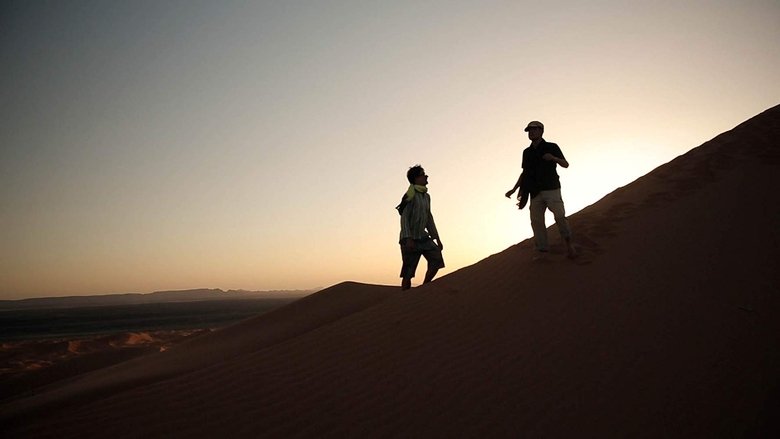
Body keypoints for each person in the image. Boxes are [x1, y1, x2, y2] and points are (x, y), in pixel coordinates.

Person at [505, 121, 576, 258]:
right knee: (536, 222)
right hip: (535, 192)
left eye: (534, 129)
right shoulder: (527, 152)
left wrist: (553, 158)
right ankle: (542, 250)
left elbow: (565, 164)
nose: (531, 132)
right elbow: (525, 173)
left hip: (552, 188)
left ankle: (569, 244)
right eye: (529, 130)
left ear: (541, 131)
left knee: (560, 217)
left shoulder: (551, 146)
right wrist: (514, 189)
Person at [397, 165, 444, 290]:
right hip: (410, 238)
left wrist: (437, 238)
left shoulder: (426, 196)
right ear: (416, 178)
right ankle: (404, 299)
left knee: (436, 259)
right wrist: (408, 238)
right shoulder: (409, 195)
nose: (426, 176)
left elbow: (428, 218)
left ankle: (424, 289)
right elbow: (404, 217)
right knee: (408, 272)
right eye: (423, 174)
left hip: (423, 237)